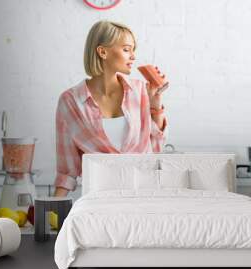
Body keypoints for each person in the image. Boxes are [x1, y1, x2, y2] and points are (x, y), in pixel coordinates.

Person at [54, 20, 168, 197]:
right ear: (103, 51)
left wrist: (156, 105)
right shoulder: (70, 101)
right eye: (126, 49)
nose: (133, 56)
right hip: (99, 199)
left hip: (144, 196)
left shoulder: (140, 91)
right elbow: (67, 171)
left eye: (133, 50)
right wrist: (51, 213)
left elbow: (156, 149)